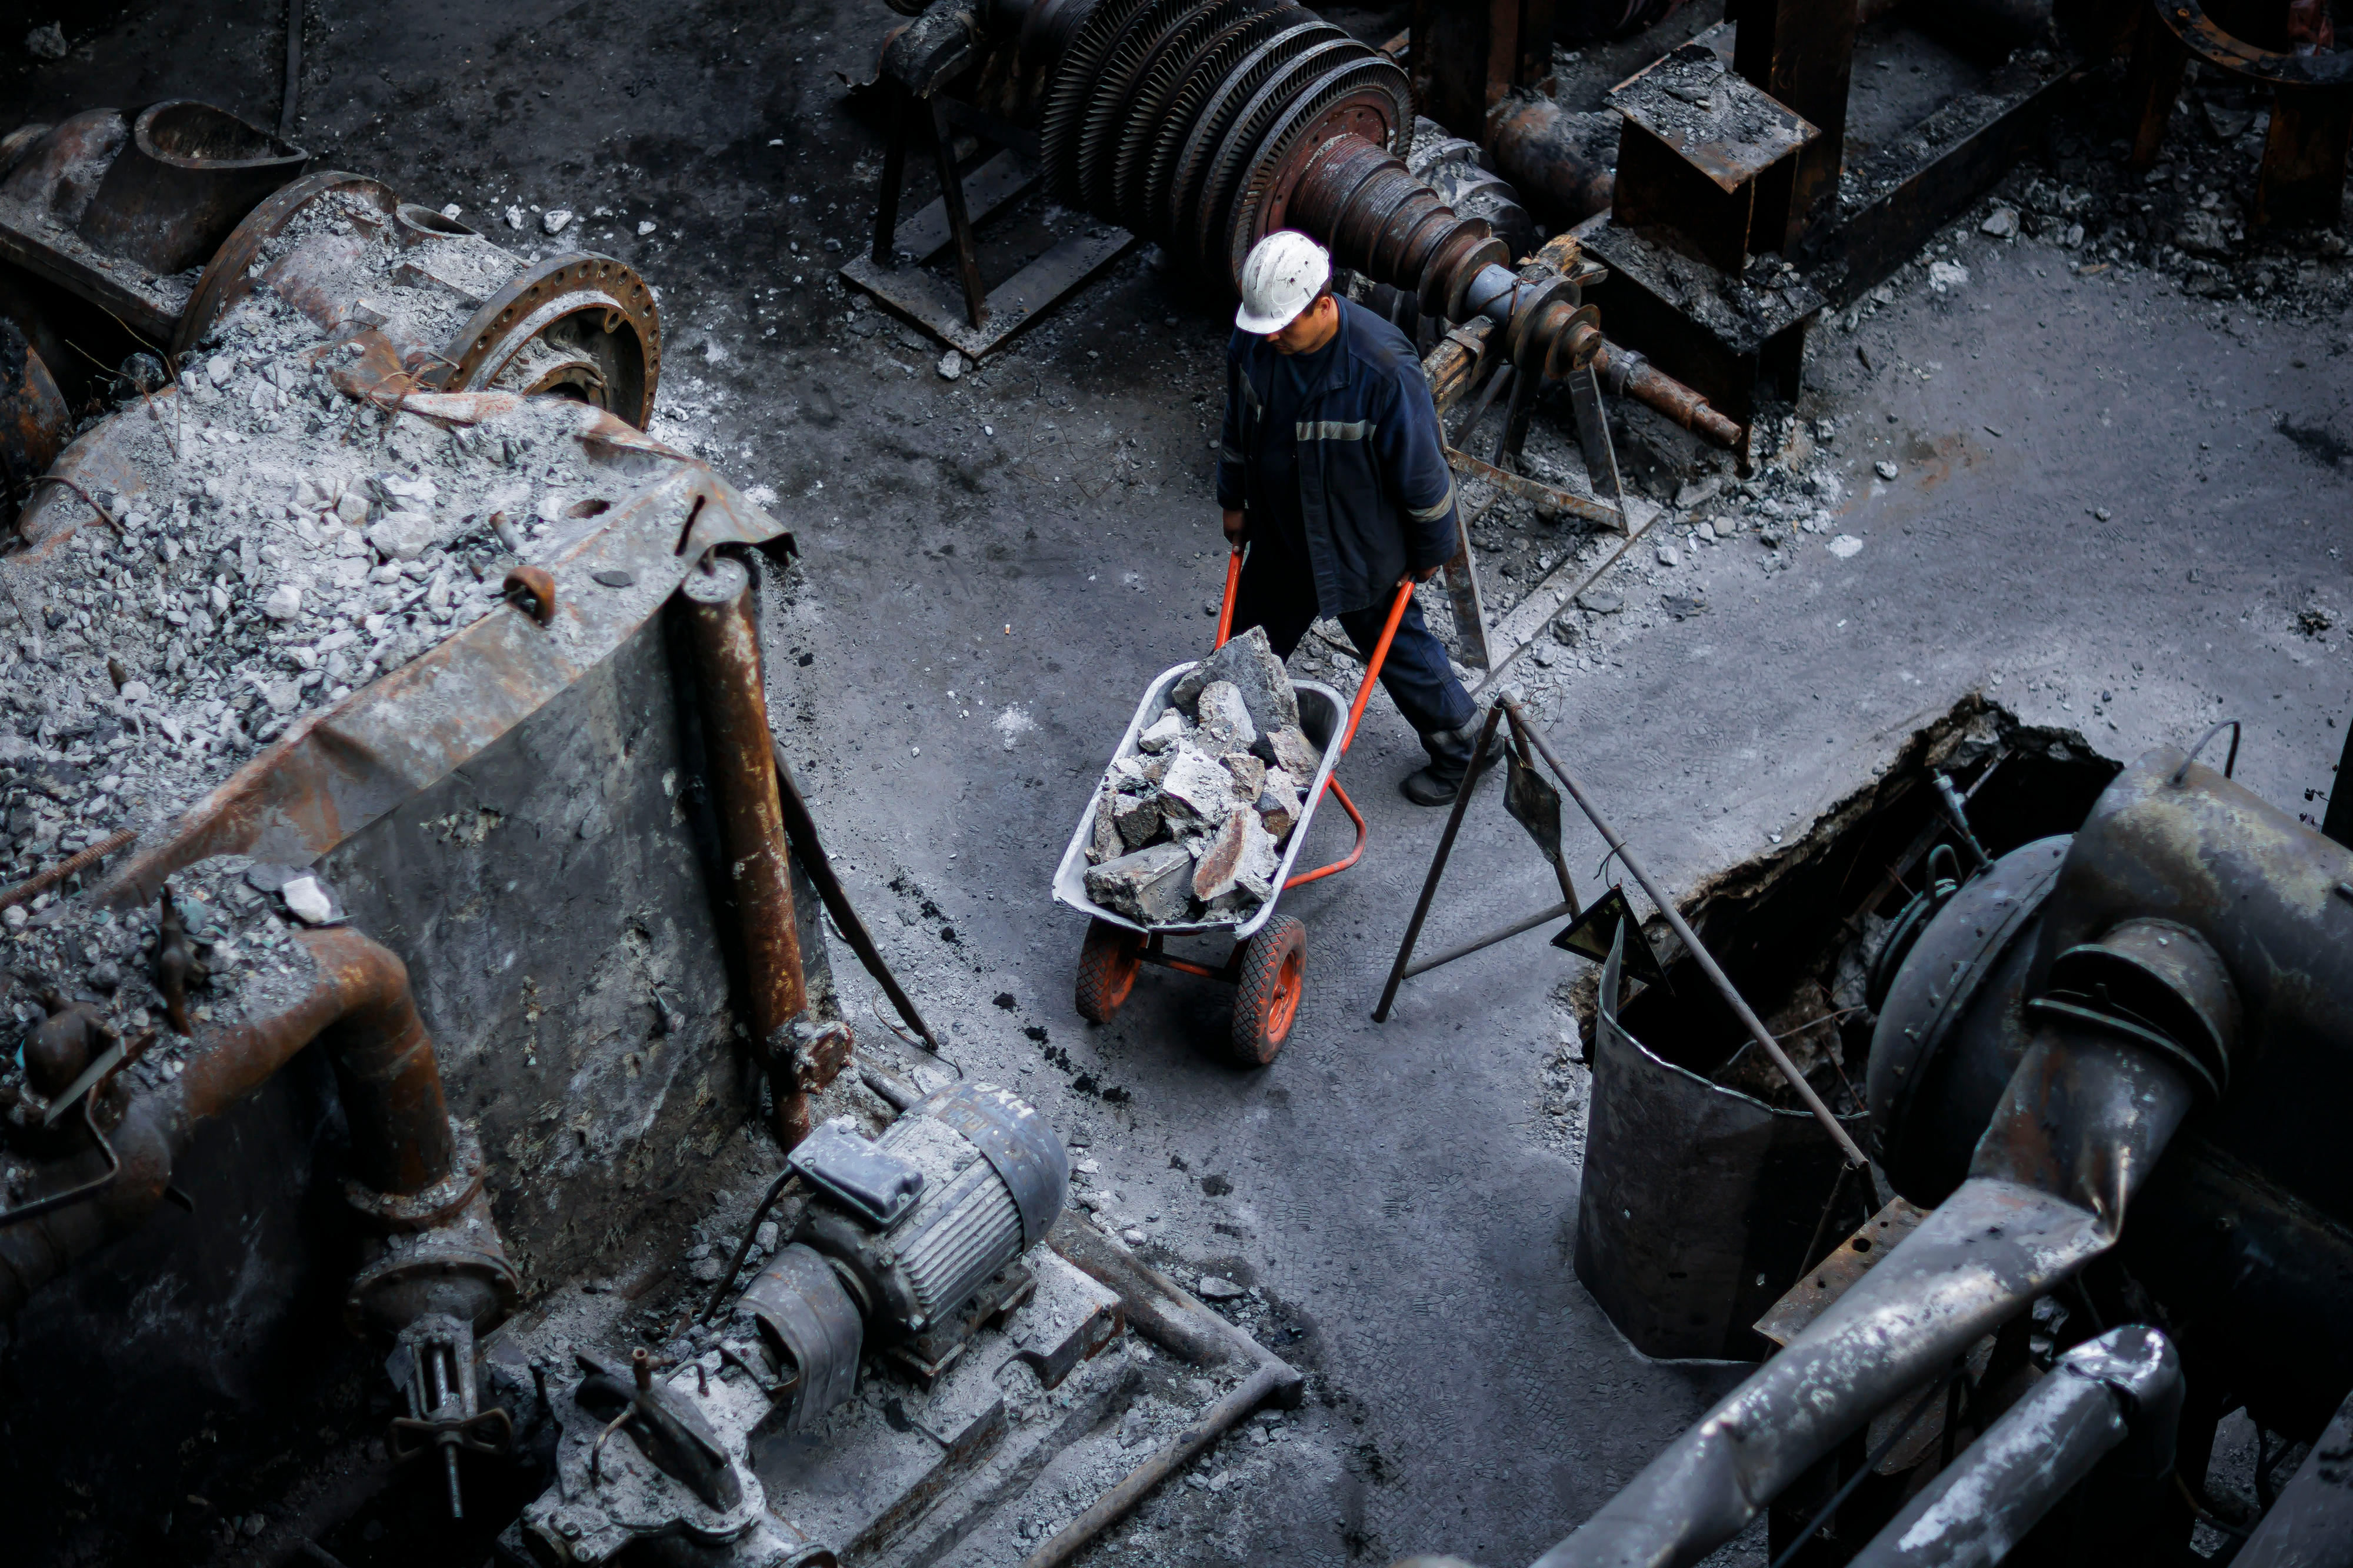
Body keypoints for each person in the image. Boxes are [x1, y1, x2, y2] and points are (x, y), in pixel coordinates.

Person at [1215, 230, 1489, 806]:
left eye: (1285, 327)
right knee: (1246, 647)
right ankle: (1217, 749)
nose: (1274, 339)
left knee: (1399, 649)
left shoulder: (1382, 367)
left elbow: (1422, 473)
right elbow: (1237, 428)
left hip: (1357, 548)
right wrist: (1233, 499)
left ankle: (1467, 749)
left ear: (1322, 301)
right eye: (1265, 328)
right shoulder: (1255, 342)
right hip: (1284, 538)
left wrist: (1431, 548)